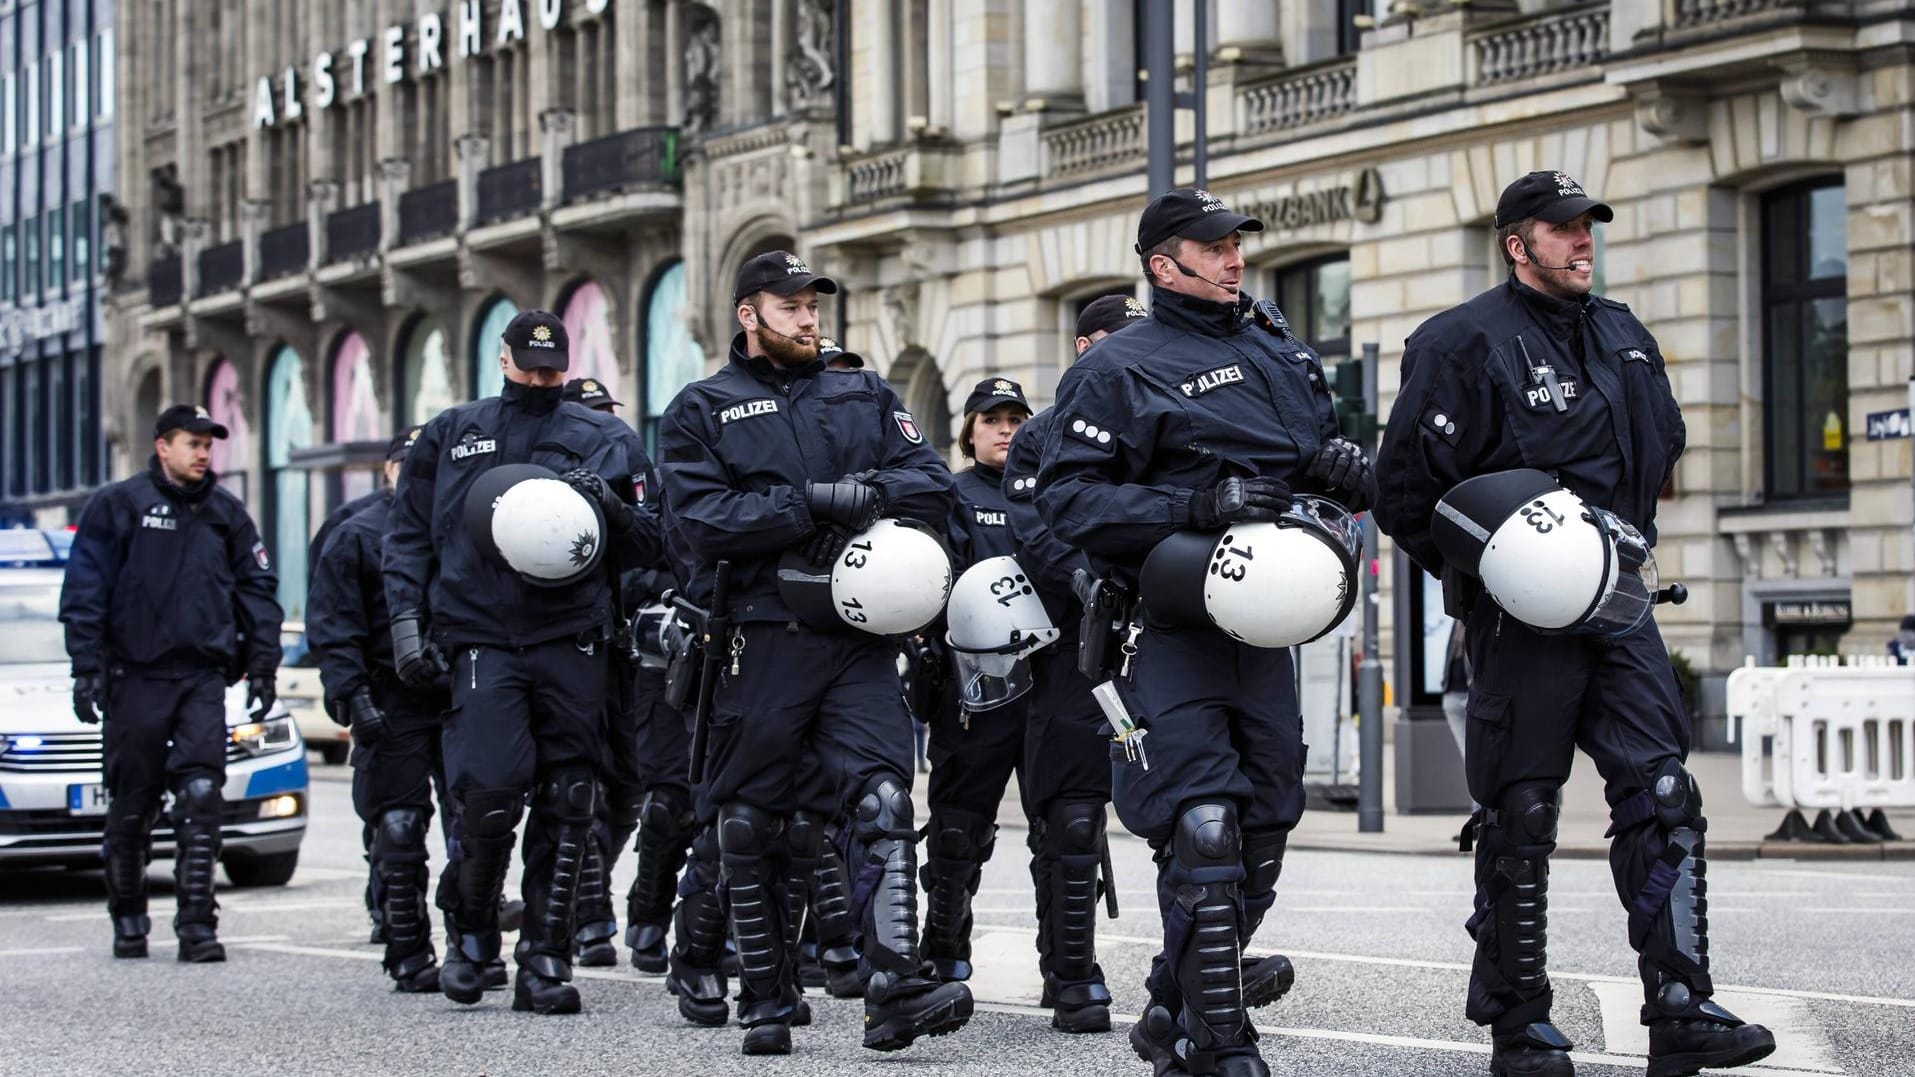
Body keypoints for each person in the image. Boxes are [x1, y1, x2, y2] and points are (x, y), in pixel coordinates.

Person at [1374, 170, 1776, 1077]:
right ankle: (1519, 1024)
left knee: (1664, 791)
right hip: (1521, 617)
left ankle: (1679, 1008)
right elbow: (1404, 492)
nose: (1581, 240)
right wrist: (1489, 574)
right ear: (1518, 244)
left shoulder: (1623, 333)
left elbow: (1662, 444)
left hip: (1622, 600)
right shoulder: (1460, 342)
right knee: (1521, 810)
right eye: (1561, 230)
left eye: (1585, 225)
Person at [1037, 189, 1376, 1077]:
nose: (1232, 259)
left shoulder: (1280, 351)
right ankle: (1215, 1040)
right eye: (1212, 246)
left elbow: (1312, 470)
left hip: (1265, 627)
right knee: (1205, 825)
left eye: (1235, 244)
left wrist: (1338, 474)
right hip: (1166, 626)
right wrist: (1192, 504)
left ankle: (1168, 1003)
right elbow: (1068, 497)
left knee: (1265, 822)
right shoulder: (1119, 366)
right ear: (1162, 264)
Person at [658, 249, 971, 1055]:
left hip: (855, 636)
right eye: (790, 305)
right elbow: (699, 521)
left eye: (813, 305)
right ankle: (764, 997)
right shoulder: (702, 407)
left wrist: (863, 490)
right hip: (756, 639)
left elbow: (929, 482)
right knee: (751, 821)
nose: (807, 317)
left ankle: (893, 986)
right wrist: (806, 504)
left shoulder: (859, 391)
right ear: (747, 315)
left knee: (884, 800)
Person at [384, 311, 664, 1015]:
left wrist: (613, 511)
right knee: (488, 795)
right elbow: (410, 535)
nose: (542, 377)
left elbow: (657, 543)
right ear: (503, 361)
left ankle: (545, 955)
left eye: (553, 366)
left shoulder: (605, 438)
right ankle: (472, 933)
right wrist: (405, 625)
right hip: (480, 636)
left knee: (572, 799)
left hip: (571, 636)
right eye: (530, 364)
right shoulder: (453, 433)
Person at [59, 404, 284, 962]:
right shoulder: (118, 506)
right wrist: (86, 667)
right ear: (163, 446)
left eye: (210, 444)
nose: (204, 453)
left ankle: (197, 927)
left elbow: (257, 591)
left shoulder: (225, 513)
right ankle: (130, 918)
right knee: (133, 803)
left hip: (202, 676)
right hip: (135, 677)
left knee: (203, 794)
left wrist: (262, 663)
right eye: (193, 442)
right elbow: (85, 592)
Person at [994, 294, 1147, 1032]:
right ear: (1088, 348)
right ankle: (1072, 968)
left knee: (1204, 813)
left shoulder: (1167, 418)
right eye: (1122, 338)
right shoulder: (1041, 435)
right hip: (1076, 645)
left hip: (1165, 636)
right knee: (1073, 818)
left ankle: (1204, 963)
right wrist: (1087, 579)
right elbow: (1035, 530)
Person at [308, 426, 451, 993]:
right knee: (398, 825)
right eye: (408, 464)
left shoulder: (459, 528)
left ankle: (474, 944)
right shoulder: (356, 534)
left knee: (479, 822)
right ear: (388, 470)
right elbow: (333, 624)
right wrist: (353, 695)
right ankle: (408, 948)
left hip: (457, 690)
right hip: (389, 695)